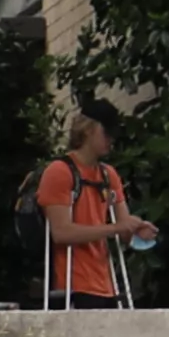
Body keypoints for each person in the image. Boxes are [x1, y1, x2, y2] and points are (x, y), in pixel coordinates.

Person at [32, 109, 145, 312]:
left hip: (107, 286)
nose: (111, 139)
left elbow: (124, 230)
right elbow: (61, 233)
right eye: (106, 132)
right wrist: (115, 228)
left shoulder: (108, 174)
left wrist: (138, 232)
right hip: (73, 286)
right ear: (87, 130)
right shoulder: (59, 172)